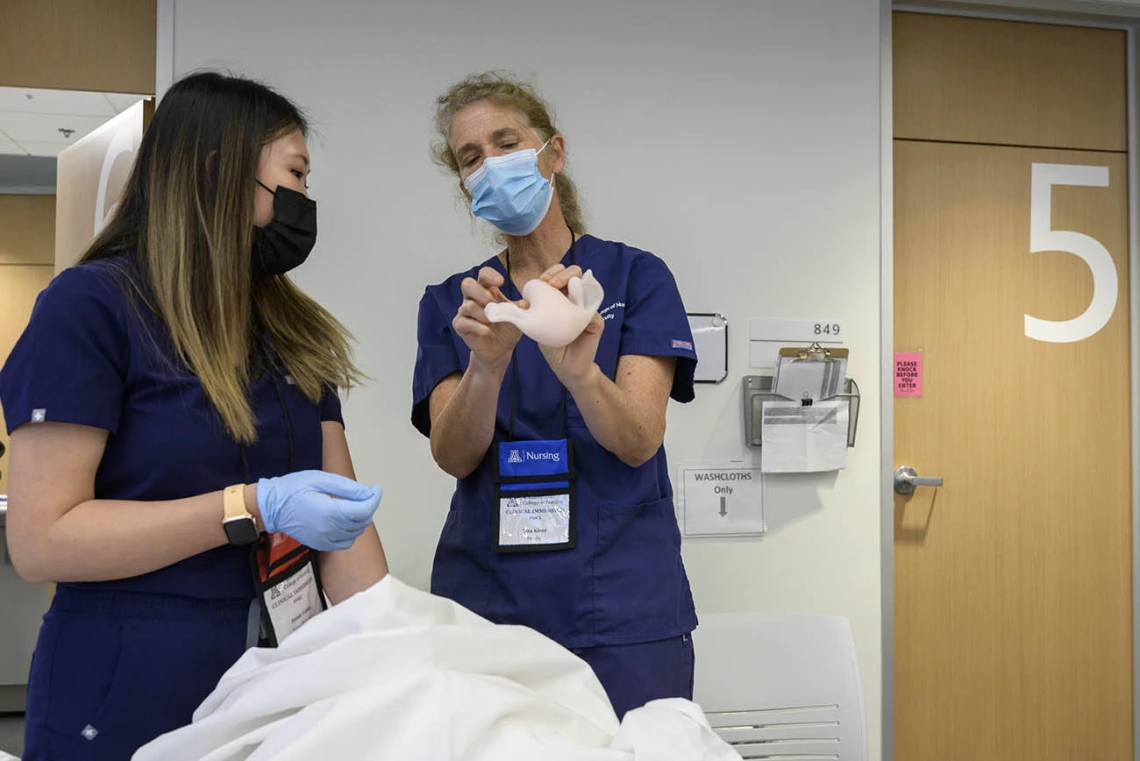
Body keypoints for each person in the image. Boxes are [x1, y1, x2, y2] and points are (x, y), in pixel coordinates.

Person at [0, 71, 388, 760]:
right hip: (129, 680)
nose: (305, 197)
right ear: (219, 170)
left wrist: (394, 645)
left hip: (275, 675)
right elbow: (41, 539)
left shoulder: (292, 332)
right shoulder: (91, 309)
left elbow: (344, 526)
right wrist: (251, 505)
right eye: (294, 173)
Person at [412, 71, 699, 718]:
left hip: (623, 606)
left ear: (553, 153)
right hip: (489, 606)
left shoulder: (635, 278)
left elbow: (637, 439)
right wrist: (485, 366)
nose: (489, 165)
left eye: (505, 142)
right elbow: (454, 455)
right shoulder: (457, 305)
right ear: (464, 185)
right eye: (470, 157)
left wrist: (580, 372)